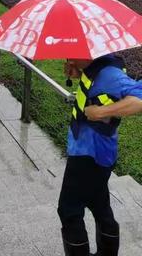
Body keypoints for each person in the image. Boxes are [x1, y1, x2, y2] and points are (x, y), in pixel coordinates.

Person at [59, 54, 142, 256]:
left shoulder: (109, 73)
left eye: (73, 54)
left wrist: (100, 112)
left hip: (90, 154)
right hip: (92, 151)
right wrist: (78, 72)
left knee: (69, 210)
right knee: (99, 204)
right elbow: (99, 91)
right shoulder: (96, 68)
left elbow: (139, 99)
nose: (69, 58)